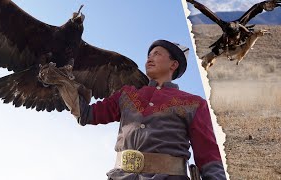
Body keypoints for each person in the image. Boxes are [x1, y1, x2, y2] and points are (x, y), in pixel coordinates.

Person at [39, 40, 227, 180]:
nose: (149, 58)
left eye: (157, 54)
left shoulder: (193, 103)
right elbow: (86, 115)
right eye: (149, 55)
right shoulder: (126, 94)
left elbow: (208, 155)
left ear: (173, 64)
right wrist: (64, 84)